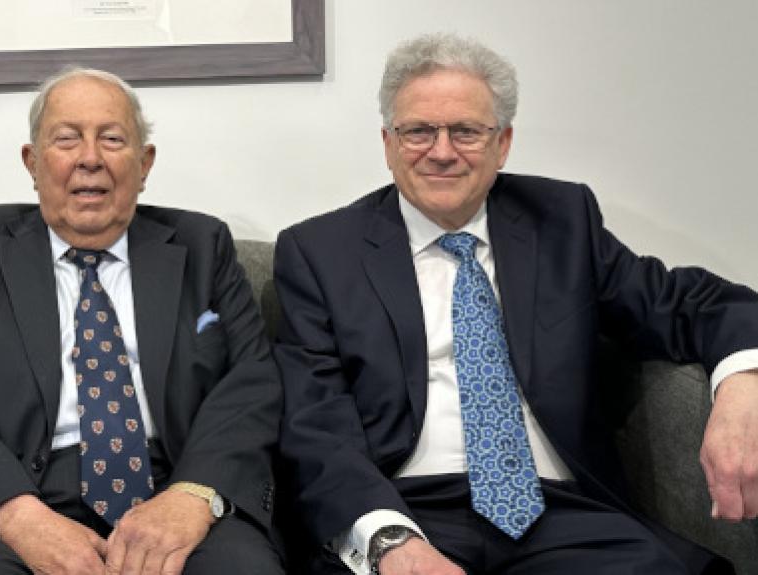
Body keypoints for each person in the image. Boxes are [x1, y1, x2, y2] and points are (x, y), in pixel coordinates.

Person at [274, 33, 758, 575]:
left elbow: (694, 303)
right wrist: (389, 541)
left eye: (465, 131)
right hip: (405, 509)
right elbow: (314, 423)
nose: (441, 151)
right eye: (417, 131)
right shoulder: (319, 252)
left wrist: (744, 382)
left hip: (564, 516)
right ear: (387, 143)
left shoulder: (563, 221)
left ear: (502, 144)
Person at [0, 67, 284, 575]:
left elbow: (252, 383)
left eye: (112, 139)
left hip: (177, 483)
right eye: (66, 139)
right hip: (19, 490)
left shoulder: (202, 245)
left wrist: (192, 497)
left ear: (144, 163)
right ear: (32, 162)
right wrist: (19, 515)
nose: (90, 159)